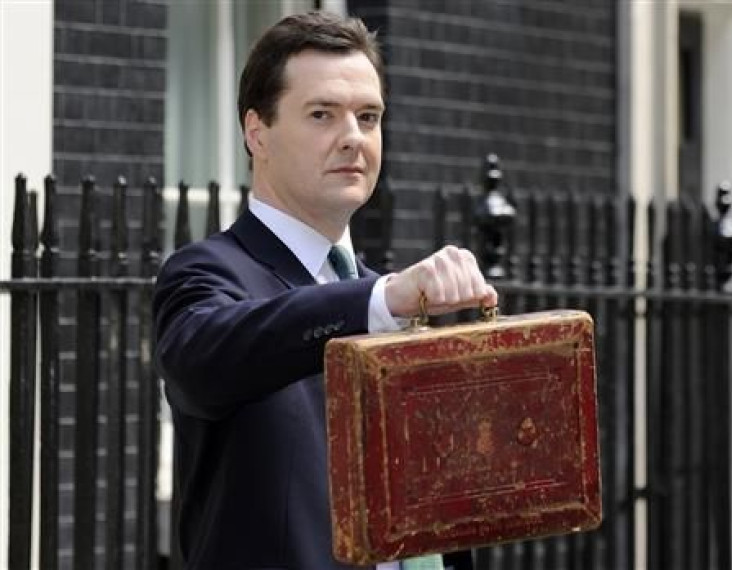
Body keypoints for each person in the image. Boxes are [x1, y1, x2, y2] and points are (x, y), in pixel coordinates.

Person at [153, 11, 497, 570]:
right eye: (322, 115)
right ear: (255, 132)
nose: (353, 138)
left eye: (368, 116)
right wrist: (380, 301)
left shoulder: (383, 299)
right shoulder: (206, 275)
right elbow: (204, 360)